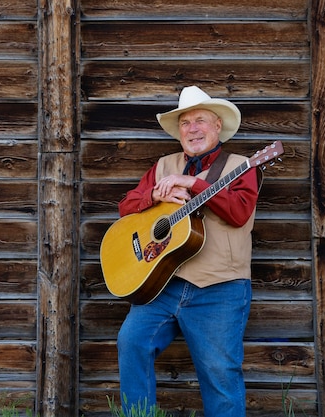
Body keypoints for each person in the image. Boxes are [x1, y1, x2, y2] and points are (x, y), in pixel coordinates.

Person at [116, 85, 260, 417]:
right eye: (185, 123)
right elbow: (126, 208)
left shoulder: (242, 166)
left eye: (200, 121)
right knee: (131, 342)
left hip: (220, 287)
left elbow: (238, 213)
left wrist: (194, 184)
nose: (192, 128)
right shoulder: (164, 165)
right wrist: (153, 196)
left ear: (217, 127)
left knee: (220, 375)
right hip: (162, 285)